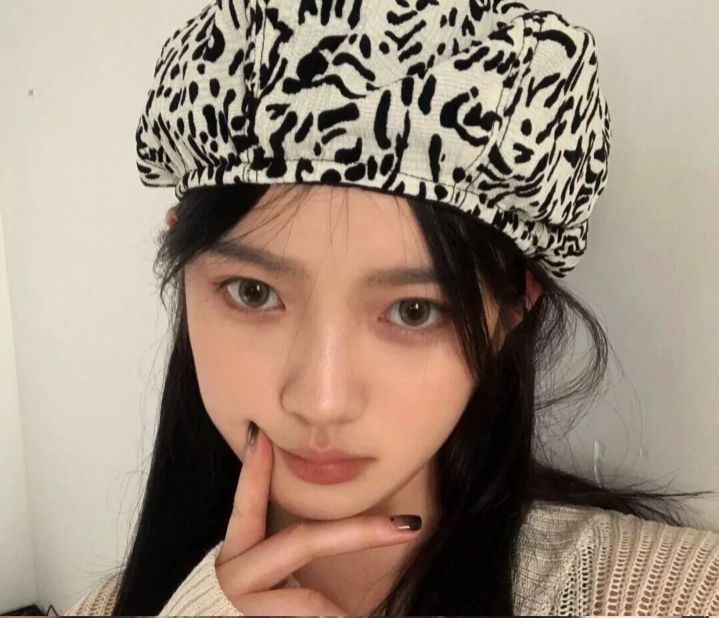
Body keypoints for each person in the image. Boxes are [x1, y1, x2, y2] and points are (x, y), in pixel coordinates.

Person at [65, 0, 719, 615]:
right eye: (254, 293)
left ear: (513, 305)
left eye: (412, 310)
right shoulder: (115, 607)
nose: (321, 402)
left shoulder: (676, 595)